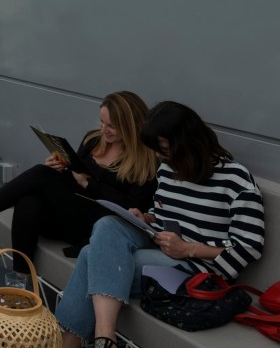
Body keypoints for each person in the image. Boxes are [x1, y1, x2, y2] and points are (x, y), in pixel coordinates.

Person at [56, 101, 265, 348]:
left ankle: (93, 338)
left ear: (188, 143)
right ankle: (104, 338)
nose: (158, 157)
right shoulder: (168, 169)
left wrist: (188, 248)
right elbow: (163, 211)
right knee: (108, 224)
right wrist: (146, 218)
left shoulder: (235, 179)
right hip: (161, 250)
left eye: (163, 150)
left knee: (92, 256)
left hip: (197, 271)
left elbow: (249, 247)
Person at [0, 91, 158, 274]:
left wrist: (89, 185)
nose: (104, 129)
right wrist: (60, 167)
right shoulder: (94, 139)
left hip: (100, 226)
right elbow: (75, 175)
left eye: (111, 126)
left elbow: (132, 209)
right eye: (102, 122)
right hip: (71, 213)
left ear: (130, 126)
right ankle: (22, 280)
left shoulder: (145, 161)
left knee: (40, 174)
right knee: (29, 201)